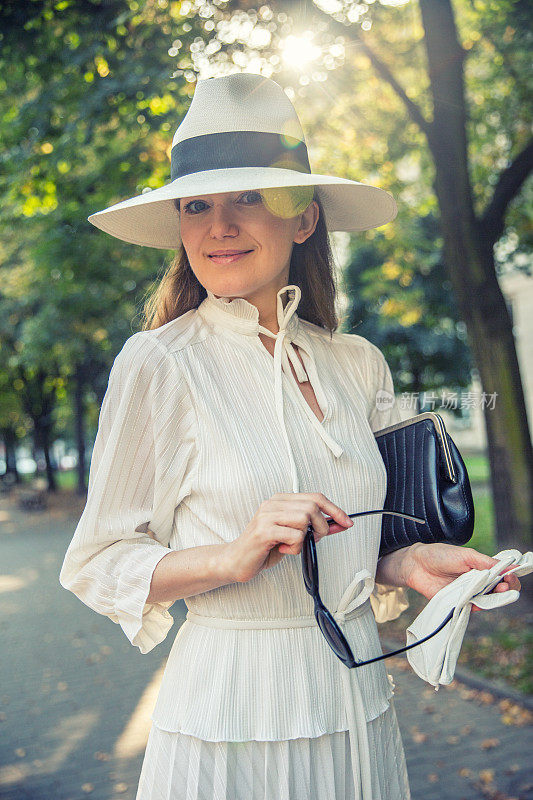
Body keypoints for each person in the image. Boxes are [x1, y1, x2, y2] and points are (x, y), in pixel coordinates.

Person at [59, 73, 521, 800]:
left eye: (249, 197)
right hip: (232, 708)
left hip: (357, 699)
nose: (220, 225)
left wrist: (406, 564)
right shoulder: (158, 364)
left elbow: (359, 542)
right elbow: (97, 561)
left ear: (303, 218)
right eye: (197, 205)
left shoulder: (355, 361)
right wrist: (233, 555)